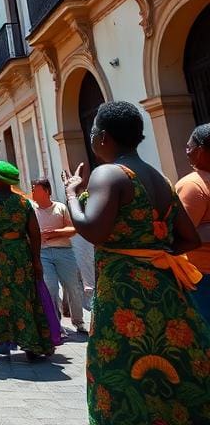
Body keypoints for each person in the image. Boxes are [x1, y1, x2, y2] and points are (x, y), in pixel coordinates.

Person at [63, 102, 210, 424]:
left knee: (121, 368)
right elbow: (190, 239)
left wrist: (72, 194)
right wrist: (151, 248)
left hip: (124, 294)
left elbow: (93, 230)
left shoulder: (108, 173)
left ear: (102, 137)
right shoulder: (159, 178)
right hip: (167, 290)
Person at [0, 160, 54, 360]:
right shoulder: (23, 202)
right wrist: (36, 260)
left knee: (0, 298)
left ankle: (3, 339)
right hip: (22, 255)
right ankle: (32, 344)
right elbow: (34, 234)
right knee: (25, 297)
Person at [30, 177, 86, 334]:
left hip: (64, 252)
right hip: (43, 253)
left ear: (46, 191)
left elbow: (72, 229)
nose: (33, 191)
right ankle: (56, 324)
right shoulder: (31, 210)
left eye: (36, 188)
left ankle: (78, 322)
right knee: (51, 288)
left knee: (73, 286)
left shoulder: (60, 208)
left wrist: (53, 234)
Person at [176, 123, 210, 324]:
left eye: (191, 146)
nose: (187, 151)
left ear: (203, 150)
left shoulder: (193, 185)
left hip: (201, 274)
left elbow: (181, 234)